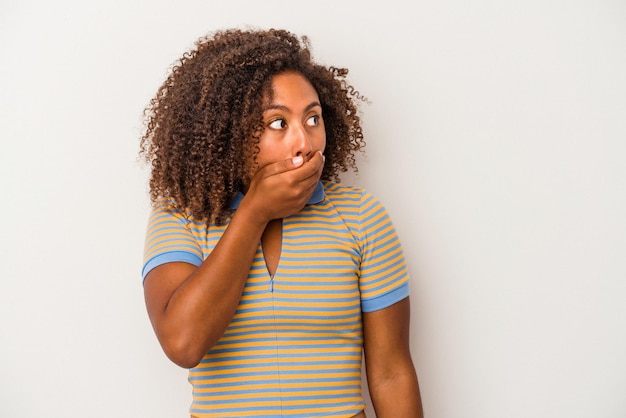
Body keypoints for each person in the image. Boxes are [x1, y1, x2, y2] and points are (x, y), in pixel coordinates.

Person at [139, 27, 423, 418]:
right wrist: (255, 211)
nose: (304, 142)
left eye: (312, 119)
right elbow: (184, 343)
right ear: (228, 132)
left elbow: (391, 373)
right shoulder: (181, 214)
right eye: (278, 123)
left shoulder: (360, 216)